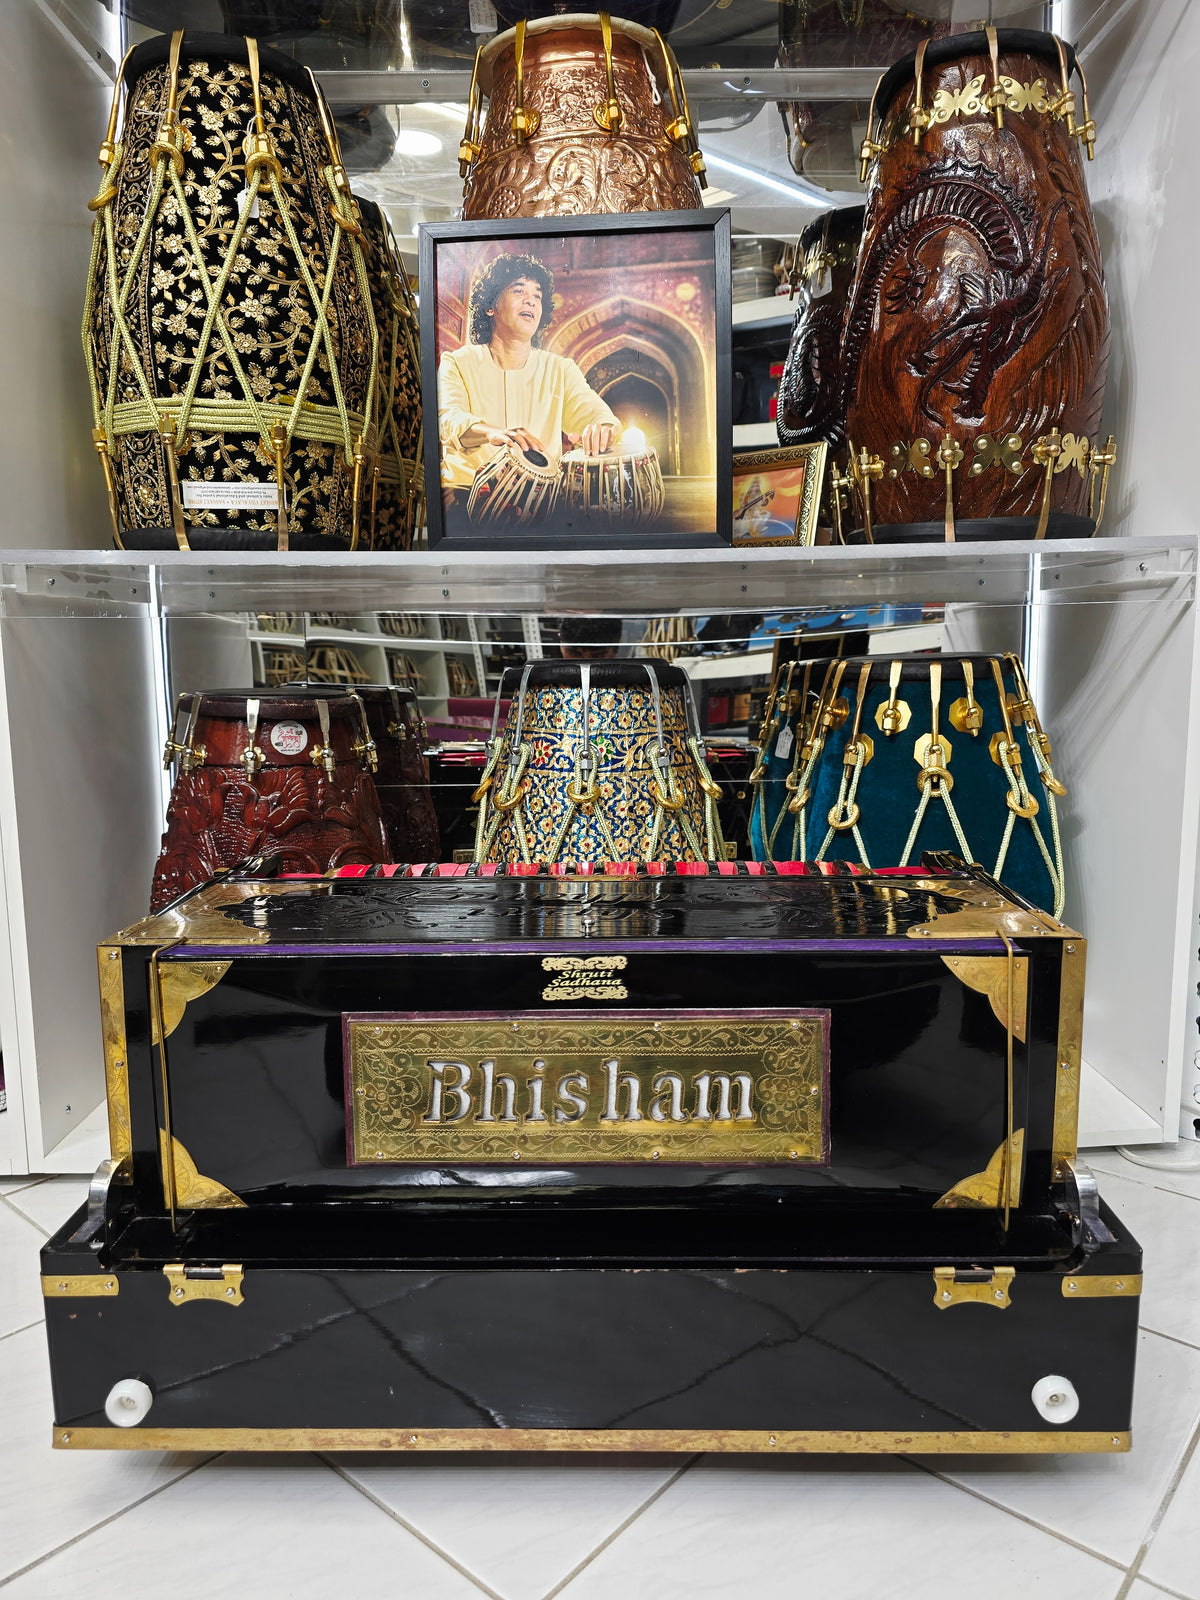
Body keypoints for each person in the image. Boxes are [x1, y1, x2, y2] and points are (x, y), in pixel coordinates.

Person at [438, 252, 621, 519]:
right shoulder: (457, 362)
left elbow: (595, 413)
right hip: (467, 499)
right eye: (519, 290)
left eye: (537, 295)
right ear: (491, 306)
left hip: (541, 505)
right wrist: (494, 433)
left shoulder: (560, 369)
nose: (531, 301)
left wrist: (603, 428)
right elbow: (448, 419)